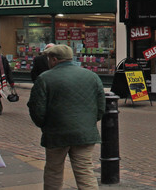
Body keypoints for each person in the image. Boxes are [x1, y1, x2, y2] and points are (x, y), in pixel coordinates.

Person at [28, 44, 105, 190]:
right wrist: (89, 122)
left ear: (54, 59)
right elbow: (101, 106)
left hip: (56, 133)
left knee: (53, 171)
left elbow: (37, 110)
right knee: (85, 172)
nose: (48, 61)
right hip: (85, 133)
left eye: (49, 58)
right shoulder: (91, 76)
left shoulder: (45, 78)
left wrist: (45, 125)